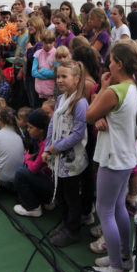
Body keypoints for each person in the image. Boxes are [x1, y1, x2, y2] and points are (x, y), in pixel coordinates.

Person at [85, 41, 137, 272]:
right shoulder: (133, 87)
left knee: (105, 211)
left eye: (110, 61)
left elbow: (89, 114)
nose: (107, 64)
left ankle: (116, 270)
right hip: (126, 156)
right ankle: (122, 256)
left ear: (119, 64)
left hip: (113, 158)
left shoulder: (114, 91)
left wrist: (103, 87)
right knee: (118, 206)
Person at [43, 63, 89, 247]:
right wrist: (47, 147)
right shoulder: (61, 99)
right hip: (58, 157)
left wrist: (57, 147)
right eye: (58, 76)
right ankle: (65, 222)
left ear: (76, 79)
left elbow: (78, 133)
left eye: (64, 76)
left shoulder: (80, 103)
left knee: (72, 196)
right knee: (62, 194)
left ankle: (73, 229)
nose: (60, 80)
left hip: (71, 160)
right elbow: (52, 125)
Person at [0, 107, 26, 204]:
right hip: (16, 178)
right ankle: (14, 189)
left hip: (1, 177)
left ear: (0, 120)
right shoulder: (20, 133)